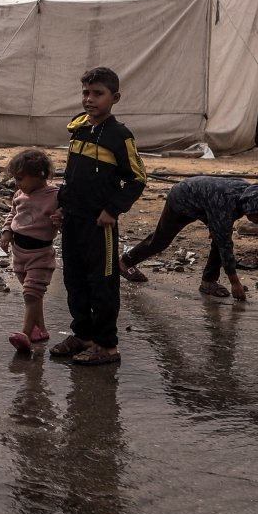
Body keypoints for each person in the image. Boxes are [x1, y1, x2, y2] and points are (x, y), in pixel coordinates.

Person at [52, 67, 147, 368]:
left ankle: (107, 345)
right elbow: (71, 176)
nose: (89, 99)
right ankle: (83, 336)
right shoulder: (79, 129)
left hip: (100, 225)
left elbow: (137, 179)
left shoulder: (120, 136)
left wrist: (113, 210)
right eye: (85, 93)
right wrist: (62, 207)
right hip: (73, 221)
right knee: (74, 279)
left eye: (97, 94)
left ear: (114, 97)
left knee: (102, 283)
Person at [119, 176, 258, 300]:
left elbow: (224, 213)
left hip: (205, 202)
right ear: (251, 206)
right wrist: (235, 283)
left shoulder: (246, 195)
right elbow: (226, 244)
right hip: (182, 199)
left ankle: (208, 281)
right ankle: (125, 262)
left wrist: (216, 224)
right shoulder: (226, 202)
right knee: (161, 240)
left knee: (220, 238)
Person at [0, 148, 58, 355]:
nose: (17, 183)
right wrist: (7, 232)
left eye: (21, 179)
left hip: (40, 255)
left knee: (31, 295)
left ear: (40, 175)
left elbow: (64, 219)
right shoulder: (19, 194)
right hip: (19, 253)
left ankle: (24, 333)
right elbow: (12, 214)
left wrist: (61, 220)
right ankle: (39, 329)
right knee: (32, 293)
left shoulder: (55, 196)